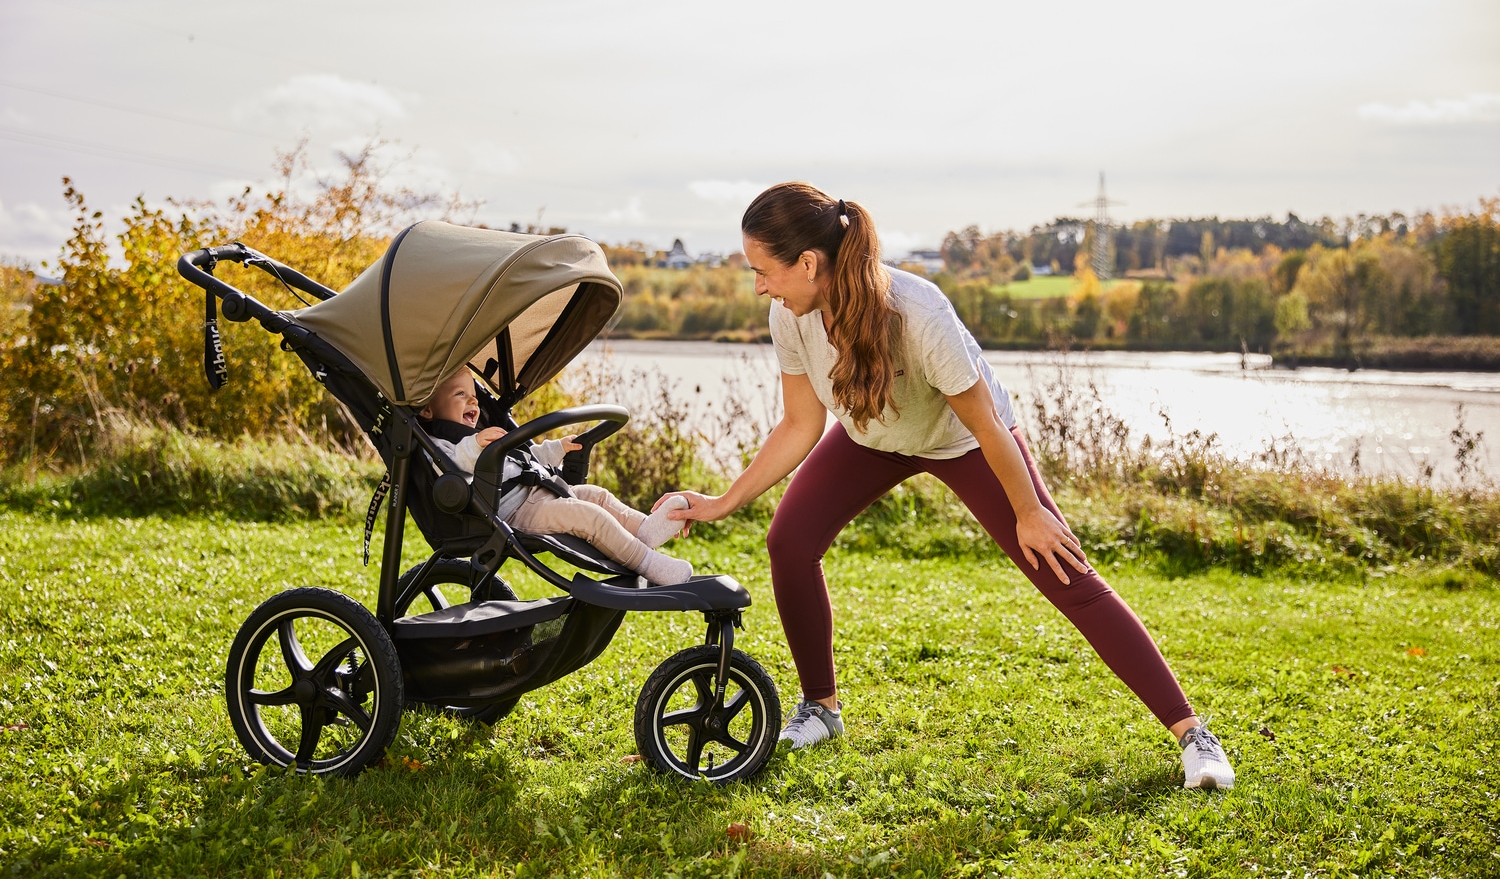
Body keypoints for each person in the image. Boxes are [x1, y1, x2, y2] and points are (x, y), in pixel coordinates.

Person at [658, 182, 1234, 789]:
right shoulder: (791, 316)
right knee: (789, 541)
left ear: (808, 263)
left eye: (763, 271)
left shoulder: (919, 312)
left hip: (963, 441)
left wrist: (1029, 510)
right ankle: (820, 709)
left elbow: (986, 424)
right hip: (872, 438)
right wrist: (726, 501)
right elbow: (802, 423)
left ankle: (1193, 733)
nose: (759, 287)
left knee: (1065, 571)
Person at [420, 370, 695, 586]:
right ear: (428, 410)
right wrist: (476, 445)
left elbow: (524, 457)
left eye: (473, 396)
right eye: (460, 394)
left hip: (539, 490)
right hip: (511, 512)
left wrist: (557, 448)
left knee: (597, 495)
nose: (472, 401)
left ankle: (644, 530)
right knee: (588, 517)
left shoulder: (482, 432)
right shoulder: (442, 445)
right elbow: (453, 468)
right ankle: (647, 562)